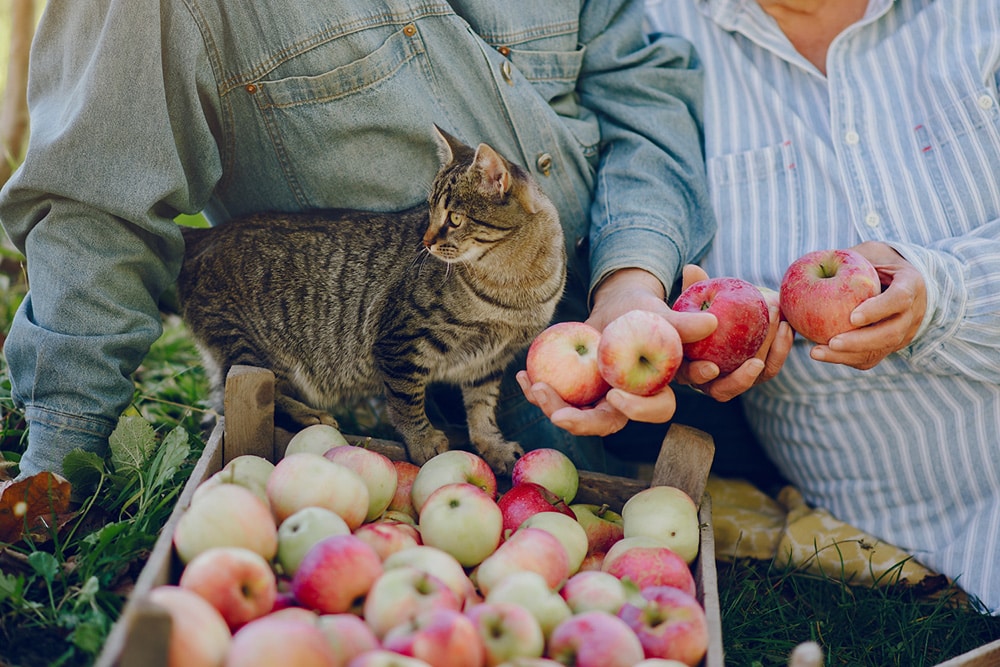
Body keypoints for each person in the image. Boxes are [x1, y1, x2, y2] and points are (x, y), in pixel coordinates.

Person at [0, 1, 757, 484]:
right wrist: (62, 458)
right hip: (422, 416)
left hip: (653, 319)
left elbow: (643, 93)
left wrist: (630, 281)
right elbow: (94, 205)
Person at [632, 0, 1000, 614]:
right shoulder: (662, 27)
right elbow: (649, 200)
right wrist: (713, 339)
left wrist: (941, 291)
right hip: (889, 524)